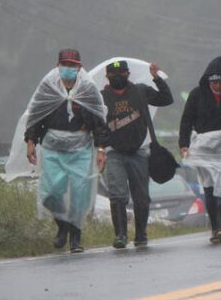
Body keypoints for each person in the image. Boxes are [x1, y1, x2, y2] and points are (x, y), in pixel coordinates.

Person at [24, 49, 109, 253]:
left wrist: (101, 149)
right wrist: (30, 141)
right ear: (58, 65)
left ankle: (75, 238)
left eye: (73, 66)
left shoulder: (88, 89)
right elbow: (36, 114)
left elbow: (99, 121)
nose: (69, 69)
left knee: (80, 193)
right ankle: (62, 225)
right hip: (53, 148)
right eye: (65, 65)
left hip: (80, 149)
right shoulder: (48, 87)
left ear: (79, 67)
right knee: (51, 192)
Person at [101, 59, 174, 249]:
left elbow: (166, 99)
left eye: (122, 73)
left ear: (128, 74)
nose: (118, 77)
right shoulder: (101, 96)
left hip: (139, 151)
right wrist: (99, 148)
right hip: (114, 152)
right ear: (107, 77)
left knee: (141, 197)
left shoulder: (140, 91)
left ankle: (141, 234)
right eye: (114, 74)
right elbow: (93, 121)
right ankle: (121, 235)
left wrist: (157, 78)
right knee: (117, 195)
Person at [179, 57, 221, 243]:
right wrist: (183, 143)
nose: (218, 86)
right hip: (203, 147)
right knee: (208, 187)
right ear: (208, 80)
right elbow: (186, 120)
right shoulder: (196, 95)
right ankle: (215, 227)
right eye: (214, 82)